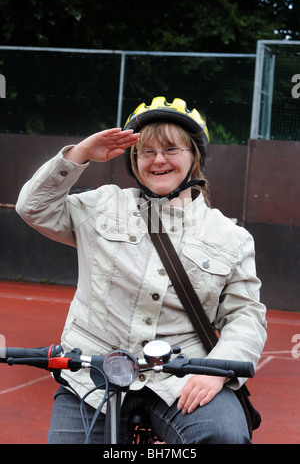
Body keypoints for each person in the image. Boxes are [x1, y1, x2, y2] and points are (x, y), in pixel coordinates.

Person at [16, 96, 267, 444]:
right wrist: (80, 154)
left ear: (194, 156)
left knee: (225, 435)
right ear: (134, 160)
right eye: (147, 151)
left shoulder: (231, 237)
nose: (159, 159)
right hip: (93, 374)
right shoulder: (103, 205)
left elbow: (245, 318)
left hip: (184, 377)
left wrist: (217, 372)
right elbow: (32, 207)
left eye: (171, 149)